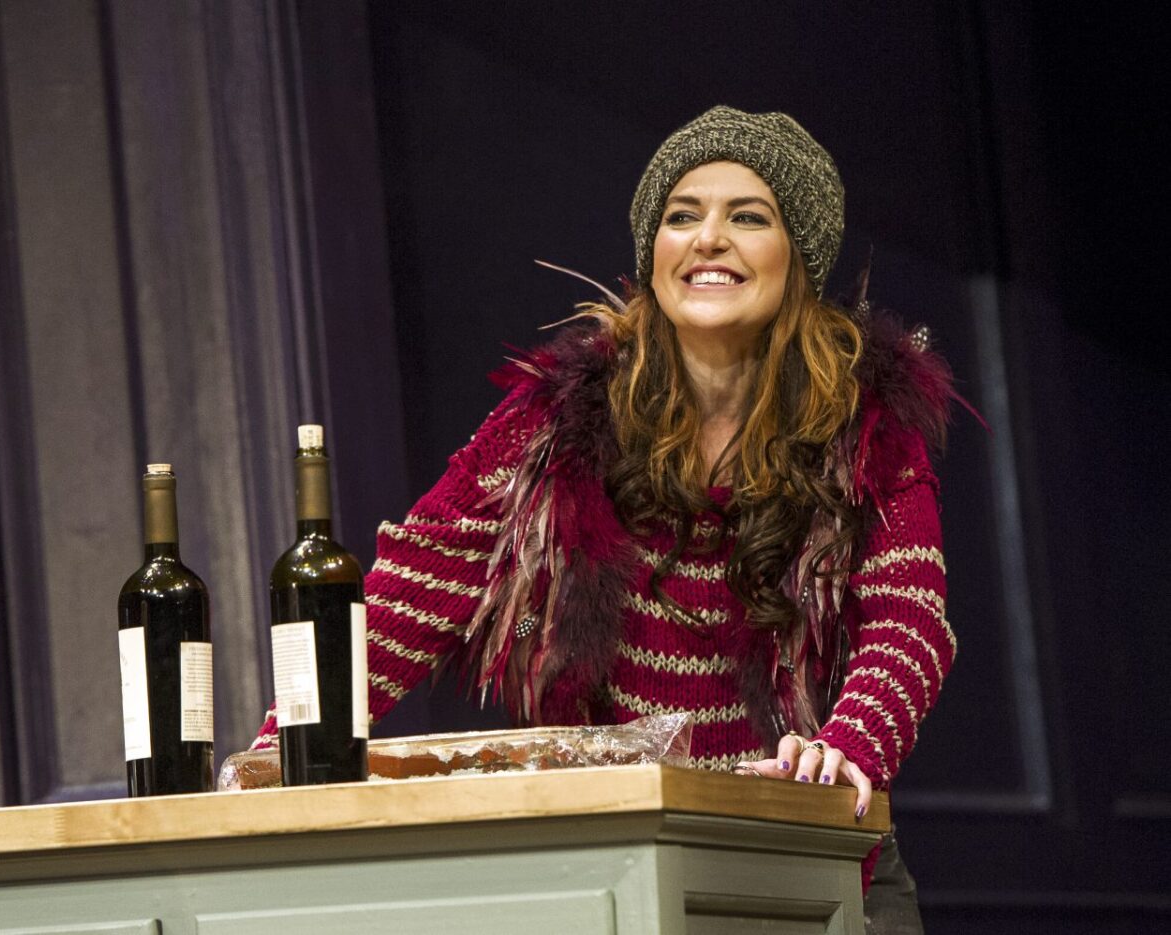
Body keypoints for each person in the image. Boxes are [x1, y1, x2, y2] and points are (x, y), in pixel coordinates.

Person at [253, 105, 953, 932]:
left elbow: (909, 622)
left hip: (808, 853)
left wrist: (848, 743)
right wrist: (277, 753)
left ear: (797, 257)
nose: (707, 238)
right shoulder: (554, 423)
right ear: (652, 253)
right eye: (681, 216)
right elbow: (408, 594)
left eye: (747, 217)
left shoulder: (864, 425)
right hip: (625, 866)